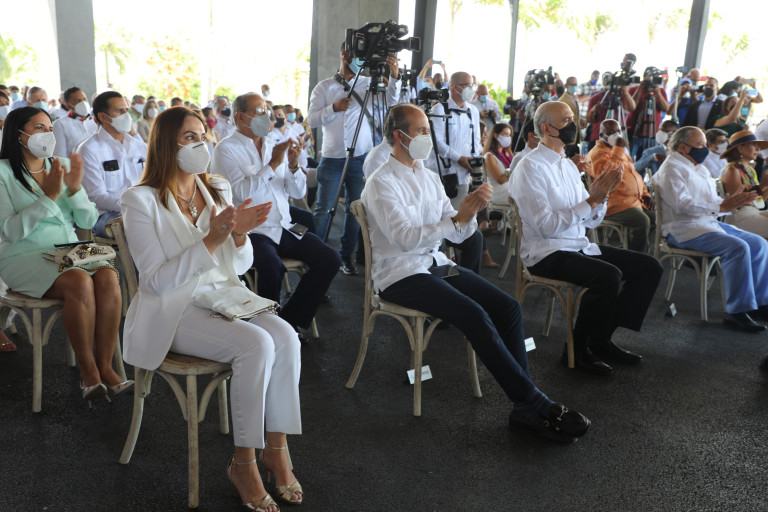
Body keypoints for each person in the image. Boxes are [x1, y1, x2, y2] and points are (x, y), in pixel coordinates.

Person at [362, 103, 591, 443]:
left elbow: (455, 234)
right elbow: (404, 238)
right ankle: (533, 402)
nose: (428, 137)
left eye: (428, 130)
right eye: (422, 131)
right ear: (399, 136)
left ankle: (524, 405)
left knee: (508, 308)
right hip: (400, 273)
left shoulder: (428, 176)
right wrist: (457, 219)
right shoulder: (380, 182)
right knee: (475, 314)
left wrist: (470, 214)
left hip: (433, 263)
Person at [121, 106, 302, 510]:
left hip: (223, 296)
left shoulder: (215, 189)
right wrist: (212, 239)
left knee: (287, 337)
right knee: (257, 344)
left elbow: (239, 266)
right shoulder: (140, 200)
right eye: (189, 137)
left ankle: (276, 448)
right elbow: (155, 281)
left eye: (202, 136)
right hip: (174, 309)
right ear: (166, 144)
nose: (200, 145)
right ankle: (244, 463)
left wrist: (238, 237)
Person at [510, 102, 663, 374]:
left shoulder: (568, 165)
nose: (575, 125)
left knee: (649, 267)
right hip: (547, 252)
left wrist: (601, 197)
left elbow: (591, 220)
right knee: (608, 276)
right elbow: (546, 227)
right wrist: (592, 200)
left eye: (574, 119)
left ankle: (600, 338)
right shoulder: (530, 167)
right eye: (567, 120)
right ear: (547, 128)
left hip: (578, 245)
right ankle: (576, 350)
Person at [0, 106, 130, 400]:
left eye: (49, 128)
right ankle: (88, 371)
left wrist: (73, 191)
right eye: (38, 128)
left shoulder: (61, 164)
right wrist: (49, 197)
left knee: (109, 276)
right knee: (79, 281)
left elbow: (87, 220)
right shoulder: (3, 172)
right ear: (18, 135)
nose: (47, 134)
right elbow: (10, 231)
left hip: (70, 249)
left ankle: (106, 366)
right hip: (22, 254)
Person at [212, 93, 339, 339]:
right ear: (240, 117)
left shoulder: (273, 144)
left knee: (330, 259)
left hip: (283, 226)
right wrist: (272, 165)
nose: (266, 116)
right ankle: (266, 330)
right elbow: (239, 192)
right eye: (259, 112)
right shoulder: (226, 149)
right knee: (271, 267)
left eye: (266, 111)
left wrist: (292, 166)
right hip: (250, 231)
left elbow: (297, 192)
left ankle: (289, 322)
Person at [652, 126, 768, 331]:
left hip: (707, 224)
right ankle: (736, 312)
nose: (705, 149)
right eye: (700, 145)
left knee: (759, 244)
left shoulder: (699, 168)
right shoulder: (671, 169)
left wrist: (731, 202)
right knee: (738, 248)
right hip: (683, 229)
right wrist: (721, 207)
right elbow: (682, 205)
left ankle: (759, 304)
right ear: (683, 148)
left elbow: (712, 201)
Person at [307, 43, 400, 275]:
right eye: (357, 55)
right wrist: (333, 108)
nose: (361, 59)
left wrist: (394, 76)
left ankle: (345, 256)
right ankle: (313, 257)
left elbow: (391, 102)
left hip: (361, 157)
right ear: (344, 55)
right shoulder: (324, 87)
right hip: (332, 157)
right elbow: (312, 120)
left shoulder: (369, 84)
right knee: (324, 209)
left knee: (355, 210)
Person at [78, 91, 147, 237]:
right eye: (119, 111)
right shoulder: (89, 149)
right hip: (107, 214)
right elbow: (97, 197)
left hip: (143, 208)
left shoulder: (140, 146)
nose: (126, 115)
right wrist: (135, 205)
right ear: (103, 117)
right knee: (142, 227)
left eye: (126, 110)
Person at [586, 119, 652, 253]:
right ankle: (637, 257)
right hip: (614, 205)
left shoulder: (620, 151)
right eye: (611, 132)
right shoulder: (596, 153)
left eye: (618, 131)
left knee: (654, 217)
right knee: (642, 221)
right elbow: (608, 176)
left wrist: (645, 194)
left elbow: (634, 175)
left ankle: (635, 250)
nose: (616, 135)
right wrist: (619, 148)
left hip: (634, 201)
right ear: (601, 135)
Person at [719, 130, 768, 237]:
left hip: (753, 211)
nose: (758, 149)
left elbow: (758, 202)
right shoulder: (732, 170)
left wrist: (766, 187)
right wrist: (763, 185)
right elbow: (737, 205)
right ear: (740, 148)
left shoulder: (750, 170)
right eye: (754, 144)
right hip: (738, 217)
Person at [626, 68, 670, 160]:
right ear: (644, 77)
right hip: (634, 132)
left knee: (647, 160)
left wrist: (658, 92)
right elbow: (631, 107)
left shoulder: (660, 91)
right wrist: (640, 88)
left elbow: (666, 109)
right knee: (628, 158)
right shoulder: (633, 89)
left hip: (652, 133)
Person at [52, 87, 97, 158]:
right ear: (68, 105)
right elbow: (60, 156)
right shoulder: (60, 124)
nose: (83, 103)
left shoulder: (96, 121)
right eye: (78, 101)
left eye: (84, 99)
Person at [483, 122, 514, 205]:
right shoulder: (489, 156)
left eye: (509, 135)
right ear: (496, 135)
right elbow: (500, 180)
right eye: (506, 134)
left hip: (510, 189)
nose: (508, 137)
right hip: (499, 193)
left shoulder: (506, 154)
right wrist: (515, 171)